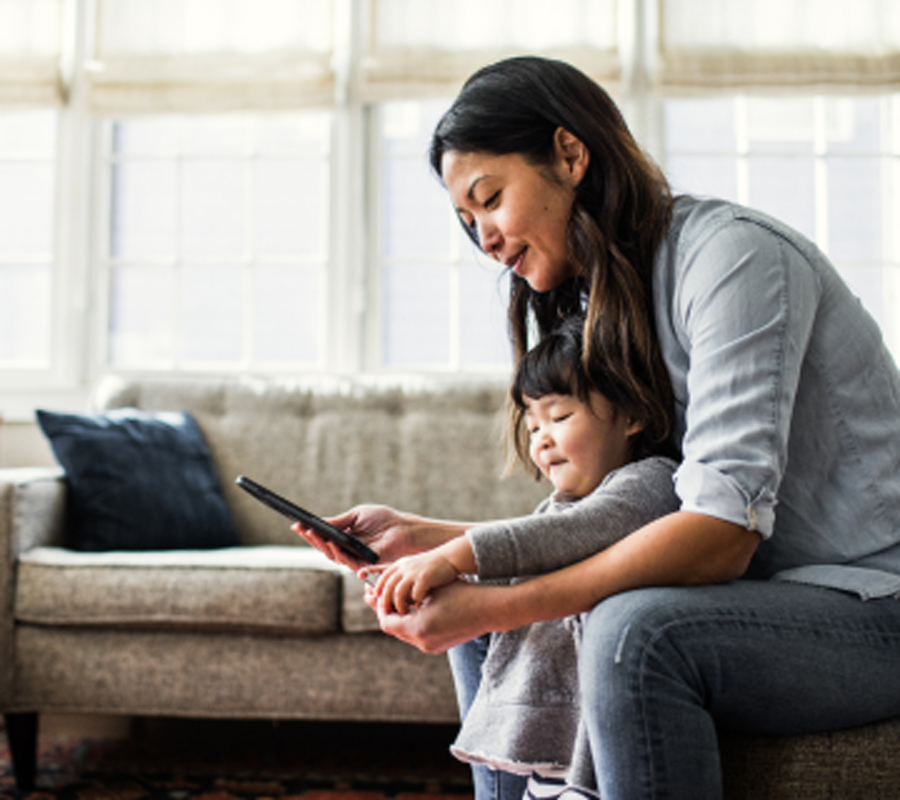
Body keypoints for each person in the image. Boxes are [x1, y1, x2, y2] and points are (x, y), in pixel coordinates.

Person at [297, 56, 900, 800]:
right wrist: (435, 541)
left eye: (489, 199)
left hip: (870, 603)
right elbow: (626, 511)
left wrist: (496, 596)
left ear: (570, 154)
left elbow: (719, 531)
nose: (483, 237)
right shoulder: (605, 302)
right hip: (760, 594)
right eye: (467, 221)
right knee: (493, 600)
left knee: (635, 633)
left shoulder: (734, 259)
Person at [363, 318, 679, 797]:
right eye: (533, 425)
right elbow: (542, 536)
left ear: (632, 415)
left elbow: (560, 535)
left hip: (585, 762)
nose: (541, 439)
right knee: (474, 597)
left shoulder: (653, 481)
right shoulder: (560, 504)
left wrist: (448, 556)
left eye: (560, 417)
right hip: (548, 760)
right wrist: (411, 569)